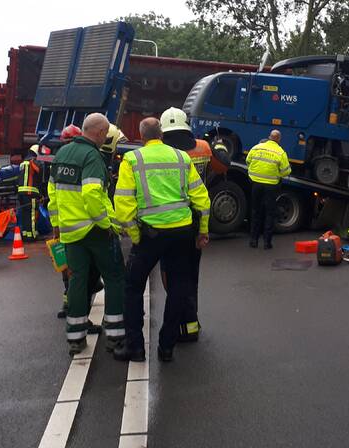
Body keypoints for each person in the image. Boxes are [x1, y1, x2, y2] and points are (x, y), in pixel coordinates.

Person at [114, 117, 211, 363]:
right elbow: (201, 198)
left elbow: (123, 203)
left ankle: (135, 347)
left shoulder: (132, 159)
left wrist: (135, 235)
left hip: (150, 234)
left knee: (133, 287)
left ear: (142, 136)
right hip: (182, 232)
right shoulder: (182, 157)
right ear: (162, 135)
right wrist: (202, 231)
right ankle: (167, 347)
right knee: (178, 287)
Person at [48, 113, 125, 356]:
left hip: (70, 232)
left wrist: (57, 225)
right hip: (95, 231)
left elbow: (52, 195)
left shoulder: (61, 154)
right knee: (114, 277)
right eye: (106, 134)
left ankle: (76, 338)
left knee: (78, 282)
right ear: (100, 133)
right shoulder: (92, 156)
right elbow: (92, 194)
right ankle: (115, 335)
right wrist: (106, 224)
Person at [160, 107, 223, 343]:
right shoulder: (203, 147)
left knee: (171, 275)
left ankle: (178, 321)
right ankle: (191, 323)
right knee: (191, 274)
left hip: (171, 219)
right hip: (196, 218)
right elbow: (221, 168)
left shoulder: (162, 152)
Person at [245, 129, 291, 249]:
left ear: (269, 137)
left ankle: (253, 241)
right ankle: (267, 243)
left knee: (256, 211)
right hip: (271, 186)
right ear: (279, 139)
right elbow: (286, 171)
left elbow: (248, 161)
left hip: (255, 183)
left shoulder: (257, 148)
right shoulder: (280, 152)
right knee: (269, 213)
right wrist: (277, 174)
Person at [17, 144, 44, 241]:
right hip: (30, 193)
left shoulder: (22, 163)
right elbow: (39, 171)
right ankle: (33, 235)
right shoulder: (32, 161)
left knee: (25, 214)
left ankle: (26, 234)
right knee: (32, 214)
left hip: (21, 193)